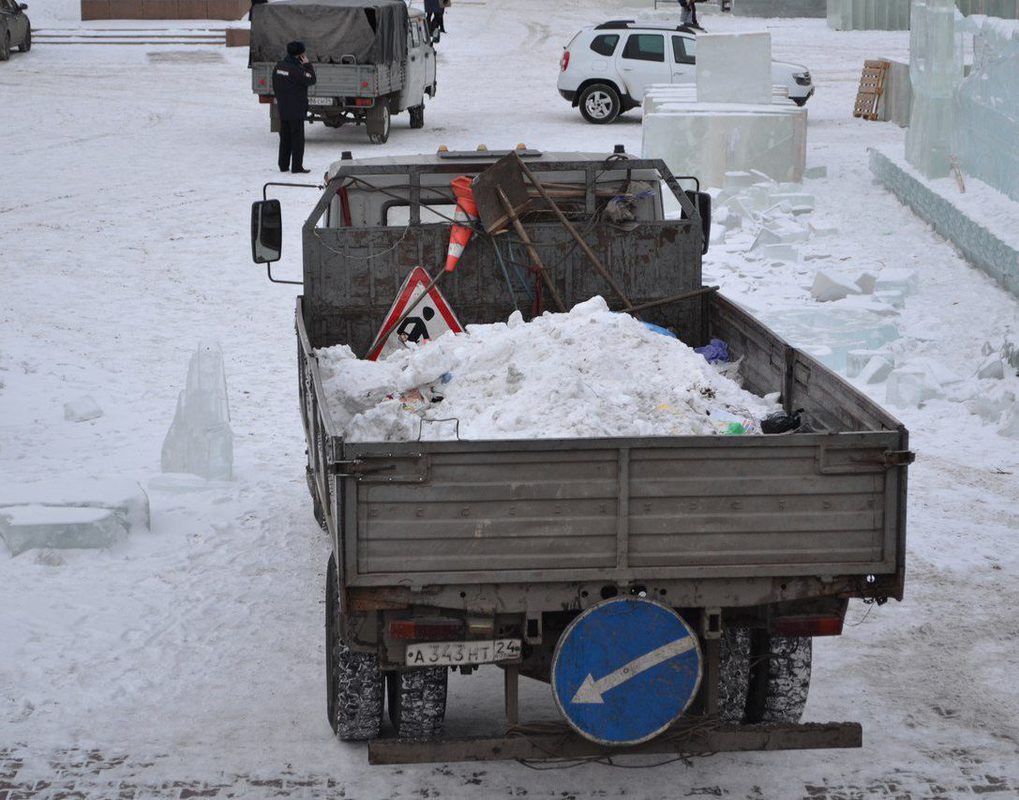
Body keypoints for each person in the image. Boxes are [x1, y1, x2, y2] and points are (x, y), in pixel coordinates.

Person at [272, 41, 317, 174]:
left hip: (283, 107)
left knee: (285, 138)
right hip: (296, 109)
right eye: (303, 53)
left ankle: (283, 165)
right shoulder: (297, 70)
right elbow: (312, 79)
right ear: (299, 55)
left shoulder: (279, 67)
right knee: (297, 139)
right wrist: (307, 65)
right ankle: (297, 167)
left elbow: (275, 85)